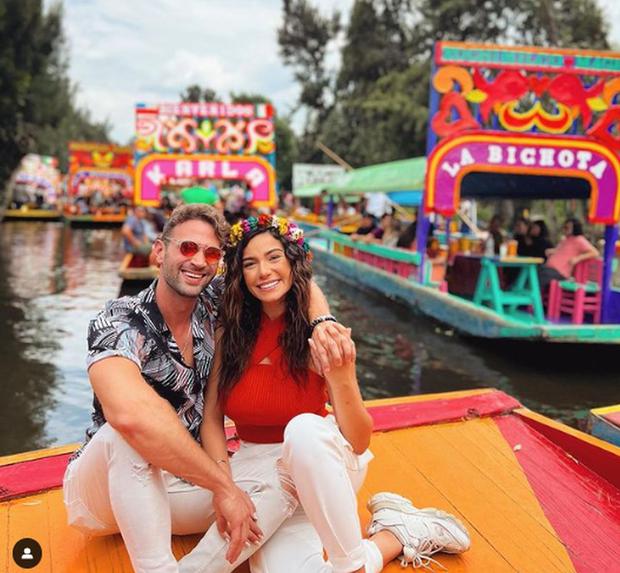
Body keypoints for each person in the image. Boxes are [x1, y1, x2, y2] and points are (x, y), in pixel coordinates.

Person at [63, 204, 351, 573]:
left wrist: (322, 320)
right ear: (159, 251)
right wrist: (224, 487)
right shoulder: (119, 321)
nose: (198, 261)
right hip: (103, 494)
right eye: (187, 248)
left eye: (211, 253)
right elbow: (129, 415)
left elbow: (296, 282)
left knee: (286, 471)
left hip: (185, 484)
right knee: (124, 436)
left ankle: (388, 536)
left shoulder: (212, 303)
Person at [182, 214, 470, 573]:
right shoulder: (233, 330)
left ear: (292, 261)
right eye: (250, 263)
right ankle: (398, 533)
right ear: (240, 275)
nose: (263, 272)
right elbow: (212, 417)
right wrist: (224, 487)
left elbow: (360, 440)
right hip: (255, 465)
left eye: (274, 257)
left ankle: (351, 563)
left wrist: (342, 374)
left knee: (301, 430)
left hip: (319, 463)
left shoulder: (320, 334)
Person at [538, 217, 598, 290]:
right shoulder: (566, 239)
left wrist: (577, 258)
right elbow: (563, 251)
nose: (564, 230)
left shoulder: (579, 240)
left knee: (539, 279)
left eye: (567, 228)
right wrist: (552, 251)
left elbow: (594, 252)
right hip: (549, 269)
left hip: (559, 272)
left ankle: (532, 300)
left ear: (574, 228)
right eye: (564, 227)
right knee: (534, 273)